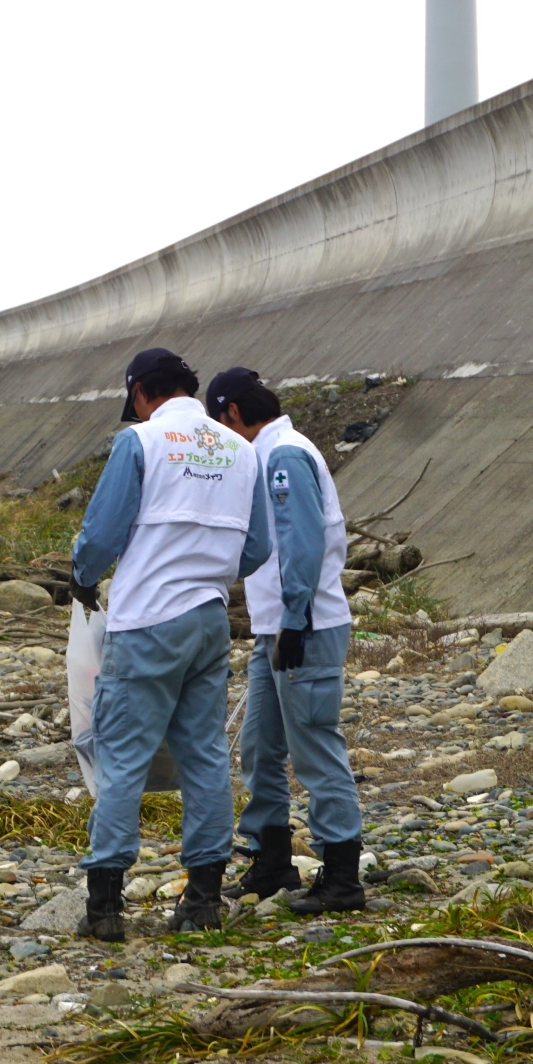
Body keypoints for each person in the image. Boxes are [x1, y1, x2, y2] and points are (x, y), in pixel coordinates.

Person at [68, 348, 270, 942]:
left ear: (140, 395)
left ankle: (105, 905)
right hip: (209, 620)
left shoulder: (141, 443)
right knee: (204, 753)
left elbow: (101, 534)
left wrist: (83, 575)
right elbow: (256, 547)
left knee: (122, 756)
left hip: (147, 620)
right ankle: (203, 896)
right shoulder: (239, 449)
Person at [206, 368, 366, 914]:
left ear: (232, 416)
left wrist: (296, 619)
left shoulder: (283, 457)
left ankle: (343, 875)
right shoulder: (269, 454)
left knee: (315, 749)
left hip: (305, 627)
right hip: (275, 628)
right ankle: (272, 861)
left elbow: (303, 542)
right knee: (259, 746)